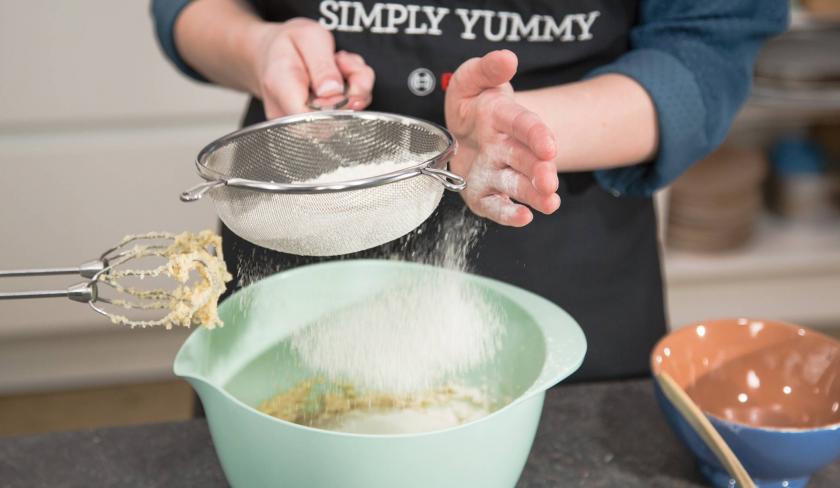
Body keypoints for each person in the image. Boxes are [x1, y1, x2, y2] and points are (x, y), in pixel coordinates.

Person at [152, 0, 787, 381]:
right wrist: (260, 47)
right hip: (303, 230)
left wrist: (524, 134)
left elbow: (706, 46)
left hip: (558, 256)